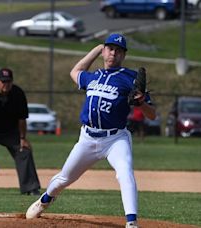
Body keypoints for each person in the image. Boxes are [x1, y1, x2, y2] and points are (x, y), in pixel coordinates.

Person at [25, 34, 156, 228]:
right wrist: (95, 49)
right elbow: (75, 71)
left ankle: (131, 222)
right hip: (87, 138)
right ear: (104, 51)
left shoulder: (131, 78)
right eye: (110, 49)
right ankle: (45, 199)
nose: (114, 53)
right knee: (64, 178)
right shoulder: (93, 76)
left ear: (124, 55)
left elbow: (152, 115)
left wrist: (141, 103)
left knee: (125, 173)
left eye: (118, 50)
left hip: (115, 139)